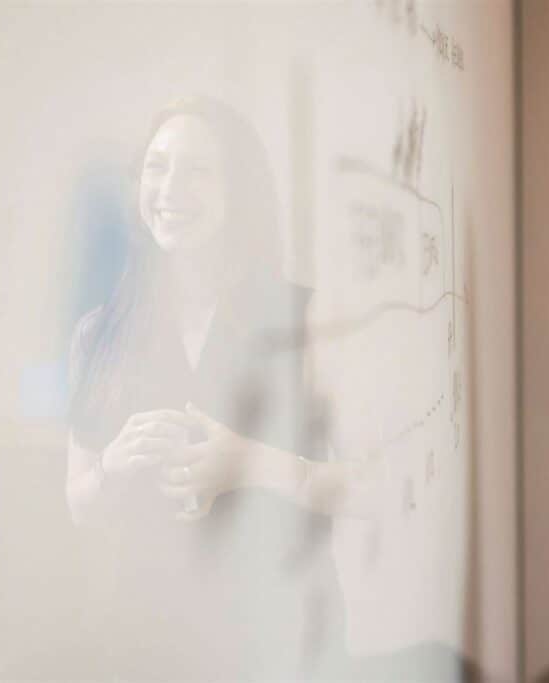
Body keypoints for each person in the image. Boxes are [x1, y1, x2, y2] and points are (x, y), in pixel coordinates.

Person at [65, 96, 358, 681]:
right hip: (148, 637)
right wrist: (114, 465)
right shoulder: (97, 332)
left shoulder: (307, 319)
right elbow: (79, 505)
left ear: (239, 192)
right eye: (157, 166)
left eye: (198, 170)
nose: (171, 188)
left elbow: (364, 485)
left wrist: (248, 463)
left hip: (283, 633)